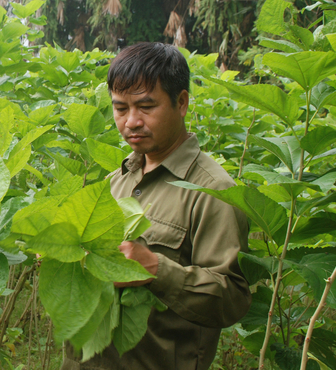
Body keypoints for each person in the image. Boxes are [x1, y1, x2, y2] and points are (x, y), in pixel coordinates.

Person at [61, 42, 252, 370]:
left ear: (181, 103)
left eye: (146, 107)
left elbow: (233, 298)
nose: (131, 121)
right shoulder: (115, 182)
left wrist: (157, 270)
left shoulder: (213, 191)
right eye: (121, 109)